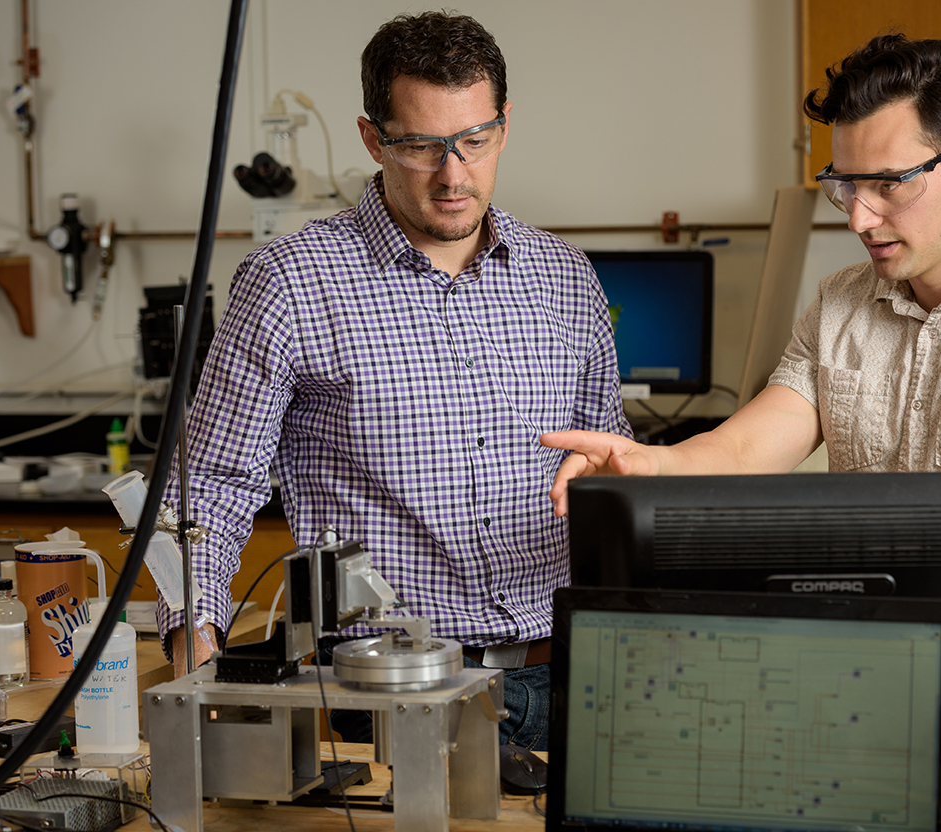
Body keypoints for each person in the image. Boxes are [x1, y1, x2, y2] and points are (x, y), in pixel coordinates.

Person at [542, 34, 941, 791]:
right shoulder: (839, 301)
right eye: (845, 185)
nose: (860, 215)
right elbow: (748, 449)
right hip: (853, 708)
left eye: (888, 183)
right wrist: (653, 464)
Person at [158, 11, 629, 751]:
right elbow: (211, 485)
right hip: (380, 696)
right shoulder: (289, 284)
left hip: (563, 678)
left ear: (505, 125)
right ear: (372, 138)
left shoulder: (564, 278)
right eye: (420, 146)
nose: (453, 173)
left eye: (474, 141)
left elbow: (611, 465)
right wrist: (197, 650)